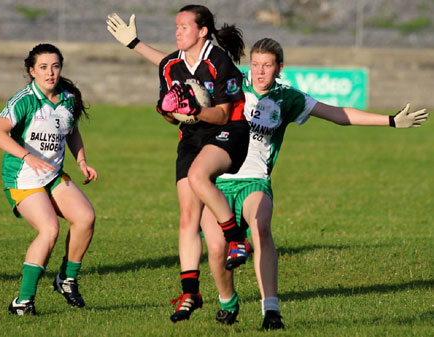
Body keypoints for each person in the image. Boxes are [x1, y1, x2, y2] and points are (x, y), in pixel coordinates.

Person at [199, 37, 429, 330]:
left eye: (267, 66)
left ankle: (271, 310)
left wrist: (391, 121)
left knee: (262, 230)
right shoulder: (231, 84)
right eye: (255, 65)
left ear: (279, 67)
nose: (259, 72)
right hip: (216, 180)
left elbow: (338, 114)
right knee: (218, 249)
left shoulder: (288, 98)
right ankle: (227, 301)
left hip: (254, 179)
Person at [107, 5, 251, 323]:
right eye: (176, 25)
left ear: (202, 31)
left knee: (199, 175)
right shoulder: (171, 65)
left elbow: (223, 114)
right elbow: (173, 114)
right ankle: (191, 292)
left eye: (184, 26)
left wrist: (195, 109)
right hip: (193, 137)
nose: (177, 30)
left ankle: (238, 239)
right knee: (189, 218)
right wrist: (172, 110)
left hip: (230, 131)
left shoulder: (219, 61)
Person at [0, 43, 98, 316]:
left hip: (52, 175)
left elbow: (71, 131)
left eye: (55, 66)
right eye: (43, 67)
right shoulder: (24, 100)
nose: (51, 72)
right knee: (49, 229)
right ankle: (23, 302)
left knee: (85, 218)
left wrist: (82, 161)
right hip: (22, 178)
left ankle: (66, 279)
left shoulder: (68, 98)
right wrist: (27, 157)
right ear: (32, 71)